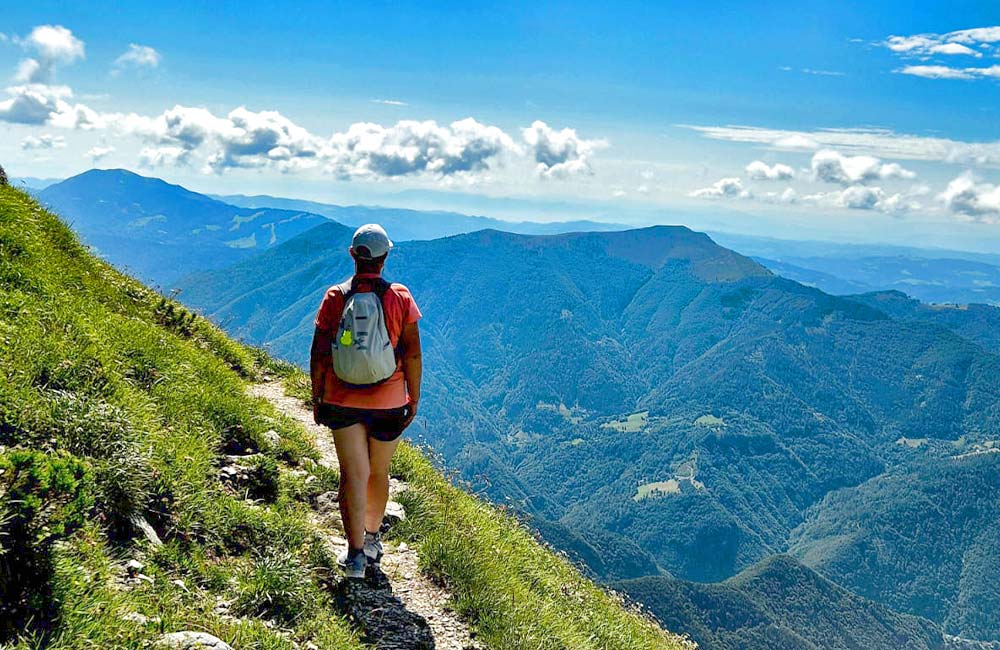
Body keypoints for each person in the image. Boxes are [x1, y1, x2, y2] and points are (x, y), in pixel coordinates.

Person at [310, 224, 422, 579]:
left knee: (352, 473)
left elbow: (319, 352)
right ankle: (372, 539)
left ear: (352, 255)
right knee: (378, 471)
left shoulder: (335, 297)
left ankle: (355, 555)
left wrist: (317, 395)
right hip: (389, 401)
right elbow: (413, 353)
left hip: (341, 398)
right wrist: (412, 397)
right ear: (385, 257)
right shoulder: (400, 297)